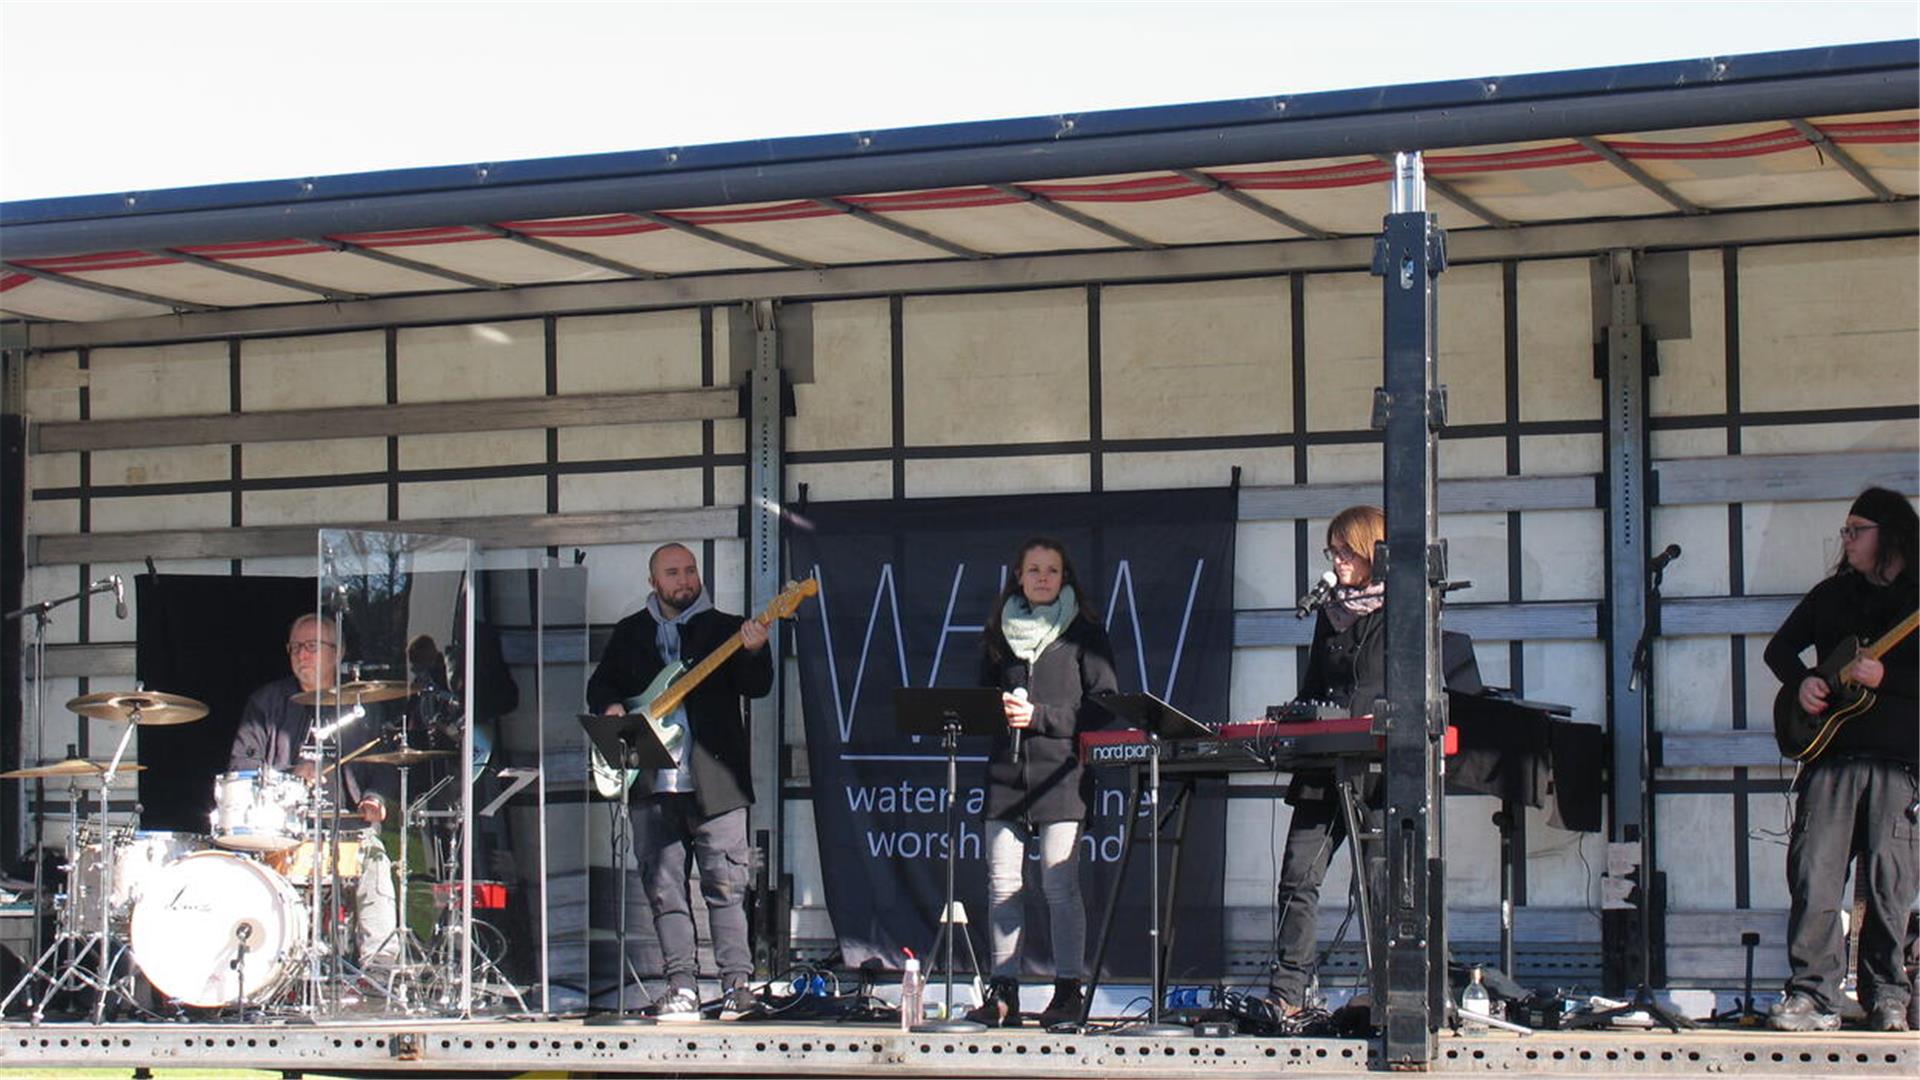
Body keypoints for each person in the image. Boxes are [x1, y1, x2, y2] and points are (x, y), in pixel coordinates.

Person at [1261, 505, 1482, 1018]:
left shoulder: (1410, 609)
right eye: (1331, 551)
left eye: (1346, 551)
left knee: (1387, 881)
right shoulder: (1329, 613)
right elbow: (1314, 688)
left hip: (1382, 768)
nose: (1337, 561)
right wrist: (1289, 723)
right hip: (1325, 765)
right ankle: (1288, 994)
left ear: (1374, 553)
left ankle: (1394, 992)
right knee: (1299, 874)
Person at [586, 543, 772, 1022]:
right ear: (654, 582)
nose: (684, 580)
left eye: (690, 571)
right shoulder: (630, 634)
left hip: (718, 783)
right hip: (652, 781)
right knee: (665, 890)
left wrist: (755, 649)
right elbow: (600, 685)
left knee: (726, 886)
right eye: (673, 573)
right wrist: (612, 708)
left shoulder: (727, 628)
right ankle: (682, 986)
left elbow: (757, 686)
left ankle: (737, 985)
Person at [1763, 487, 1918, 1033]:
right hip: (1829, 757)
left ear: (1890, 535)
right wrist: (1803, 681)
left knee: (1888, 884)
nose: (1846, 541)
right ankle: (1812, 994)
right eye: (1846, 532)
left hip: (1899, 763)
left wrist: (1889, 679)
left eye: (1857, 530)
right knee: (1814, 877)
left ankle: (1888, 996)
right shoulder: (1831, 595)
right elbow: (1778, 649)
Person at [966, 537, 1118, 1029]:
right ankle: (1003, 989)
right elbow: (980, 700)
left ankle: (1067, 991)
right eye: (1034, 570)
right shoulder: (998, 633)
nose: (1043, 578)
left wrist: (1042, 717)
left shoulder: (1085, 633)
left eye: (1052, 570)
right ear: (1019, 578)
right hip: (1005, 776)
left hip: (1061, 774)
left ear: (1064, 577)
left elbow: (1105, 704)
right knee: (1002, 885)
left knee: (1059, 886)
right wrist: (997, 712)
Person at [229, 612, 398, 968]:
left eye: (311, 647)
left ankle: (381, 970)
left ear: (337, 654)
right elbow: (241, 768)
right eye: (295, 647)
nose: (301, 655)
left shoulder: (360, 706)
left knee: (376, 860)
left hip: (347, 830)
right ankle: (267, 966)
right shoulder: (266, 704)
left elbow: (386, 764)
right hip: (282, 834)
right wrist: (292, 775)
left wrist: (375, 799)